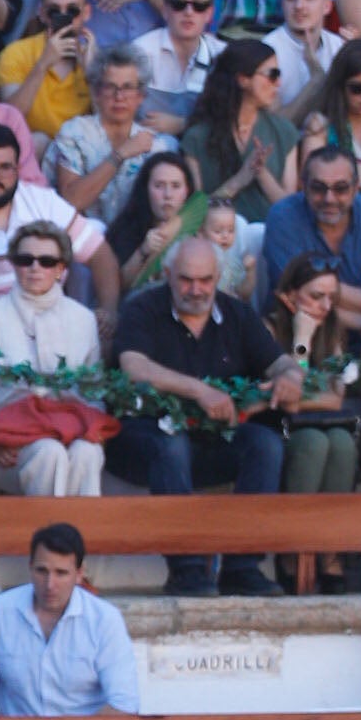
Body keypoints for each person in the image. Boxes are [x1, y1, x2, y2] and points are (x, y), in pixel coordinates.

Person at [107, 234, 297, 589]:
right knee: (171, 445)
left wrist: (290, 376)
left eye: (206, 280)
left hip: (211, 437)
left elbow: (281, 362)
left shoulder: (238, 314)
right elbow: (133, 366)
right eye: (186, 279)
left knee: (266, 443)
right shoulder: (143, 308)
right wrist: (198, 389)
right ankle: (187, 572)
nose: (196, 289)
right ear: (167, 273)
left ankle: (242, 570)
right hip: (142, 438)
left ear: (218, 278)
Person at [0, 525, 137, 713]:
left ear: (79, 574)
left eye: (61, 573)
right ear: (30, 567)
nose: (50, 584)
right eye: (42, 571)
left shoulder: (104, 620)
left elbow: (124, 704)